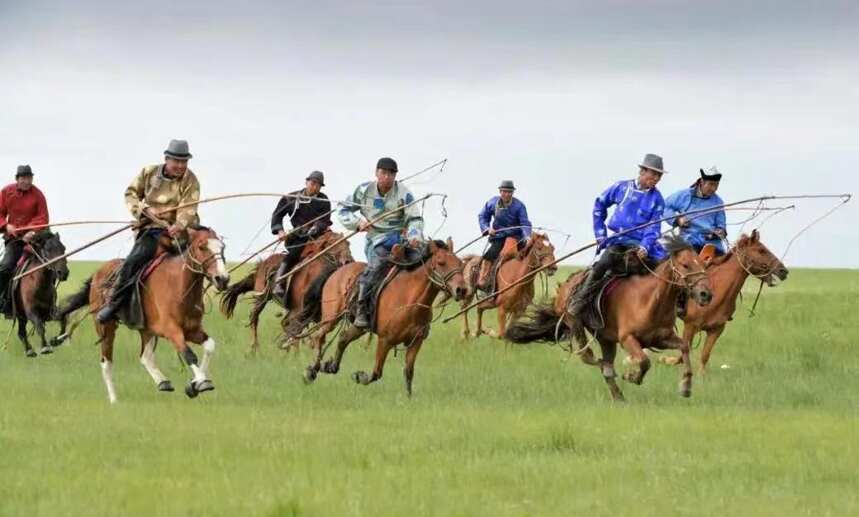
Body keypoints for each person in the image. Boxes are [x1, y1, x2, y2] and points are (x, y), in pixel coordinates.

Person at [96, 139, 201, 323]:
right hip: (153, 230)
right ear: (166, 159)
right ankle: (114, 303)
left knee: (205, 255)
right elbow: (131, 194)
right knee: (132, 262)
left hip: (181, 232)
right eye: (176, 161)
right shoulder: (148, 173)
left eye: (184, 162)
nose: (180, 165)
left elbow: (189, 208)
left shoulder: (191, 180)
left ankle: (196, 304)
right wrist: (144, 209)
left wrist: (180, 224)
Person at [567, 153, 668, 316]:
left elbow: (654, 228)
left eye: (659, 175)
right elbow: (599, 204)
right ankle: (580, 300)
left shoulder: (658, 199)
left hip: (642, 244)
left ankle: (672, 308)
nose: (656, 178)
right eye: (653, 173)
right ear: (642, 171)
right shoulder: (621, 187)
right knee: (602, 265)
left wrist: (645, 246)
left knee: (667, 268)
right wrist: (600, 235)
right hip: (619, 241)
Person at [338, 157, 423, 328]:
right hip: (376, 240)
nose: (387, 177)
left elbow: (415, 218)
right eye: (383, 173)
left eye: (391, 174)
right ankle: (362, 310)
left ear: (395, 176)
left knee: (423, 262)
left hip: (401, 239)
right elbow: (343, 209)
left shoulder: (404, 193)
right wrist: (358, 223)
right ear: (376, 173)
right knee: (375, 269)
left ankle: (421, 316)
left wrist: (414, 236)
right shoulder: (363, 191)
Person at [270, 170, 332, 298]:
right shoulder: (291, 198)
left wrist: (316, 227)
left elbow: (325, 220)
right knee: (295, 252)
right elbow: (277, 215)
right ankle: (279, 282)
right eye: (313, 183)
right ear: (306, 182)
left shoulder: (323, 200)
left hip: (319, 235)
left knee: (337, 249)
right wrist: (280, 231)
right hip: (298, 236)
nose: (314, 187)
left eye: (318, 185)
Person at [0, 165, 50, 313]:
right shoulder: (6, 192)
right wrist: (6, 225)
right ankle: (3, 299)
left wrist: (32, 231)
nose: (26, 181)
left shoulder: (38, 195)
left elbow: (43, 217)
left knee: (53, 265)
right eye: (23, 178)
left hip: (36, 239)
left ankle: (50, 305)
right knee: (5, 267)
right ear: (17, 179)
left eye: (29, 178)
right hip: (14, 240)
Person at [476, 180, 532, 291]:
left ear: (513, 193)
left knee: (525, 256)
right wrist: (487, 228)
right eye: (504, 191)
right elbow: (482, 216)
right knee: (489, 255)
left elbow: (525, 223)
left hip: (516, 236)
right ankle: (483, 279)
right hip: (498, 236)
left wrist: (527, 236)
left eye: (509, 192)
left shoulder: (519, 206)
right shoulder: (492, 203)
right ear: (500, 191)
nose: (506, 194)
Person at [664, 166, 727, 254]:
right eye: (711, 184)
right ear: (702, 182)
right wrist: (678, 219)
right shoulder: (684, 195)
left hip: (711, 245)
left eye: (716, 185)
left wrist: (720, 232)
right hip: (688, 241)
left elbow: (721, 226)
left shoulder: (718, 202)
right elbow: (665, 207)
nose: (714, 189)